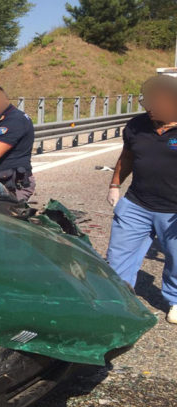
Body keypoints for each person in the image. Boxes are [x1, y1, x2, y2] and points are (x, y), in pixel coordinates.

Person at [105, 74, 177, 324]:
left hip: (173, 211)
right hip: (137, 204)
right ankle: (119, 299)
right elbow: (127, 157)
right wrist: (115, 185)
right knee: (118, 256)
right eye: (147, 101)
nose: (149, 107)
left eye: (155, 102)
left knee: (176, 260)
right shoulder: (137, 125)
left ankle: (175, 299)